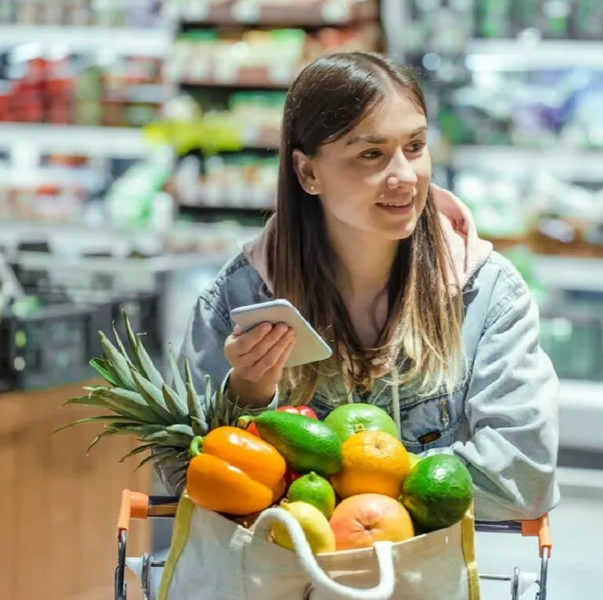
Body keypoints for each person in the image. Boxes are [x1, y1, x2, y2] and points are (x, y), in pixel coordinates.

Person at [160, 51, 560, 522]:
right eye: (371, 154)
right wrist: (247, 393)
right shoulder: (243, 295)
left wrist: (356, 479)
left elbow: (525, 477)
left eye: (414, 146)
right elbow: (181, 470)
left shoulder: (487, 293)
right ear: (308, 172)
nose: (406, 176)